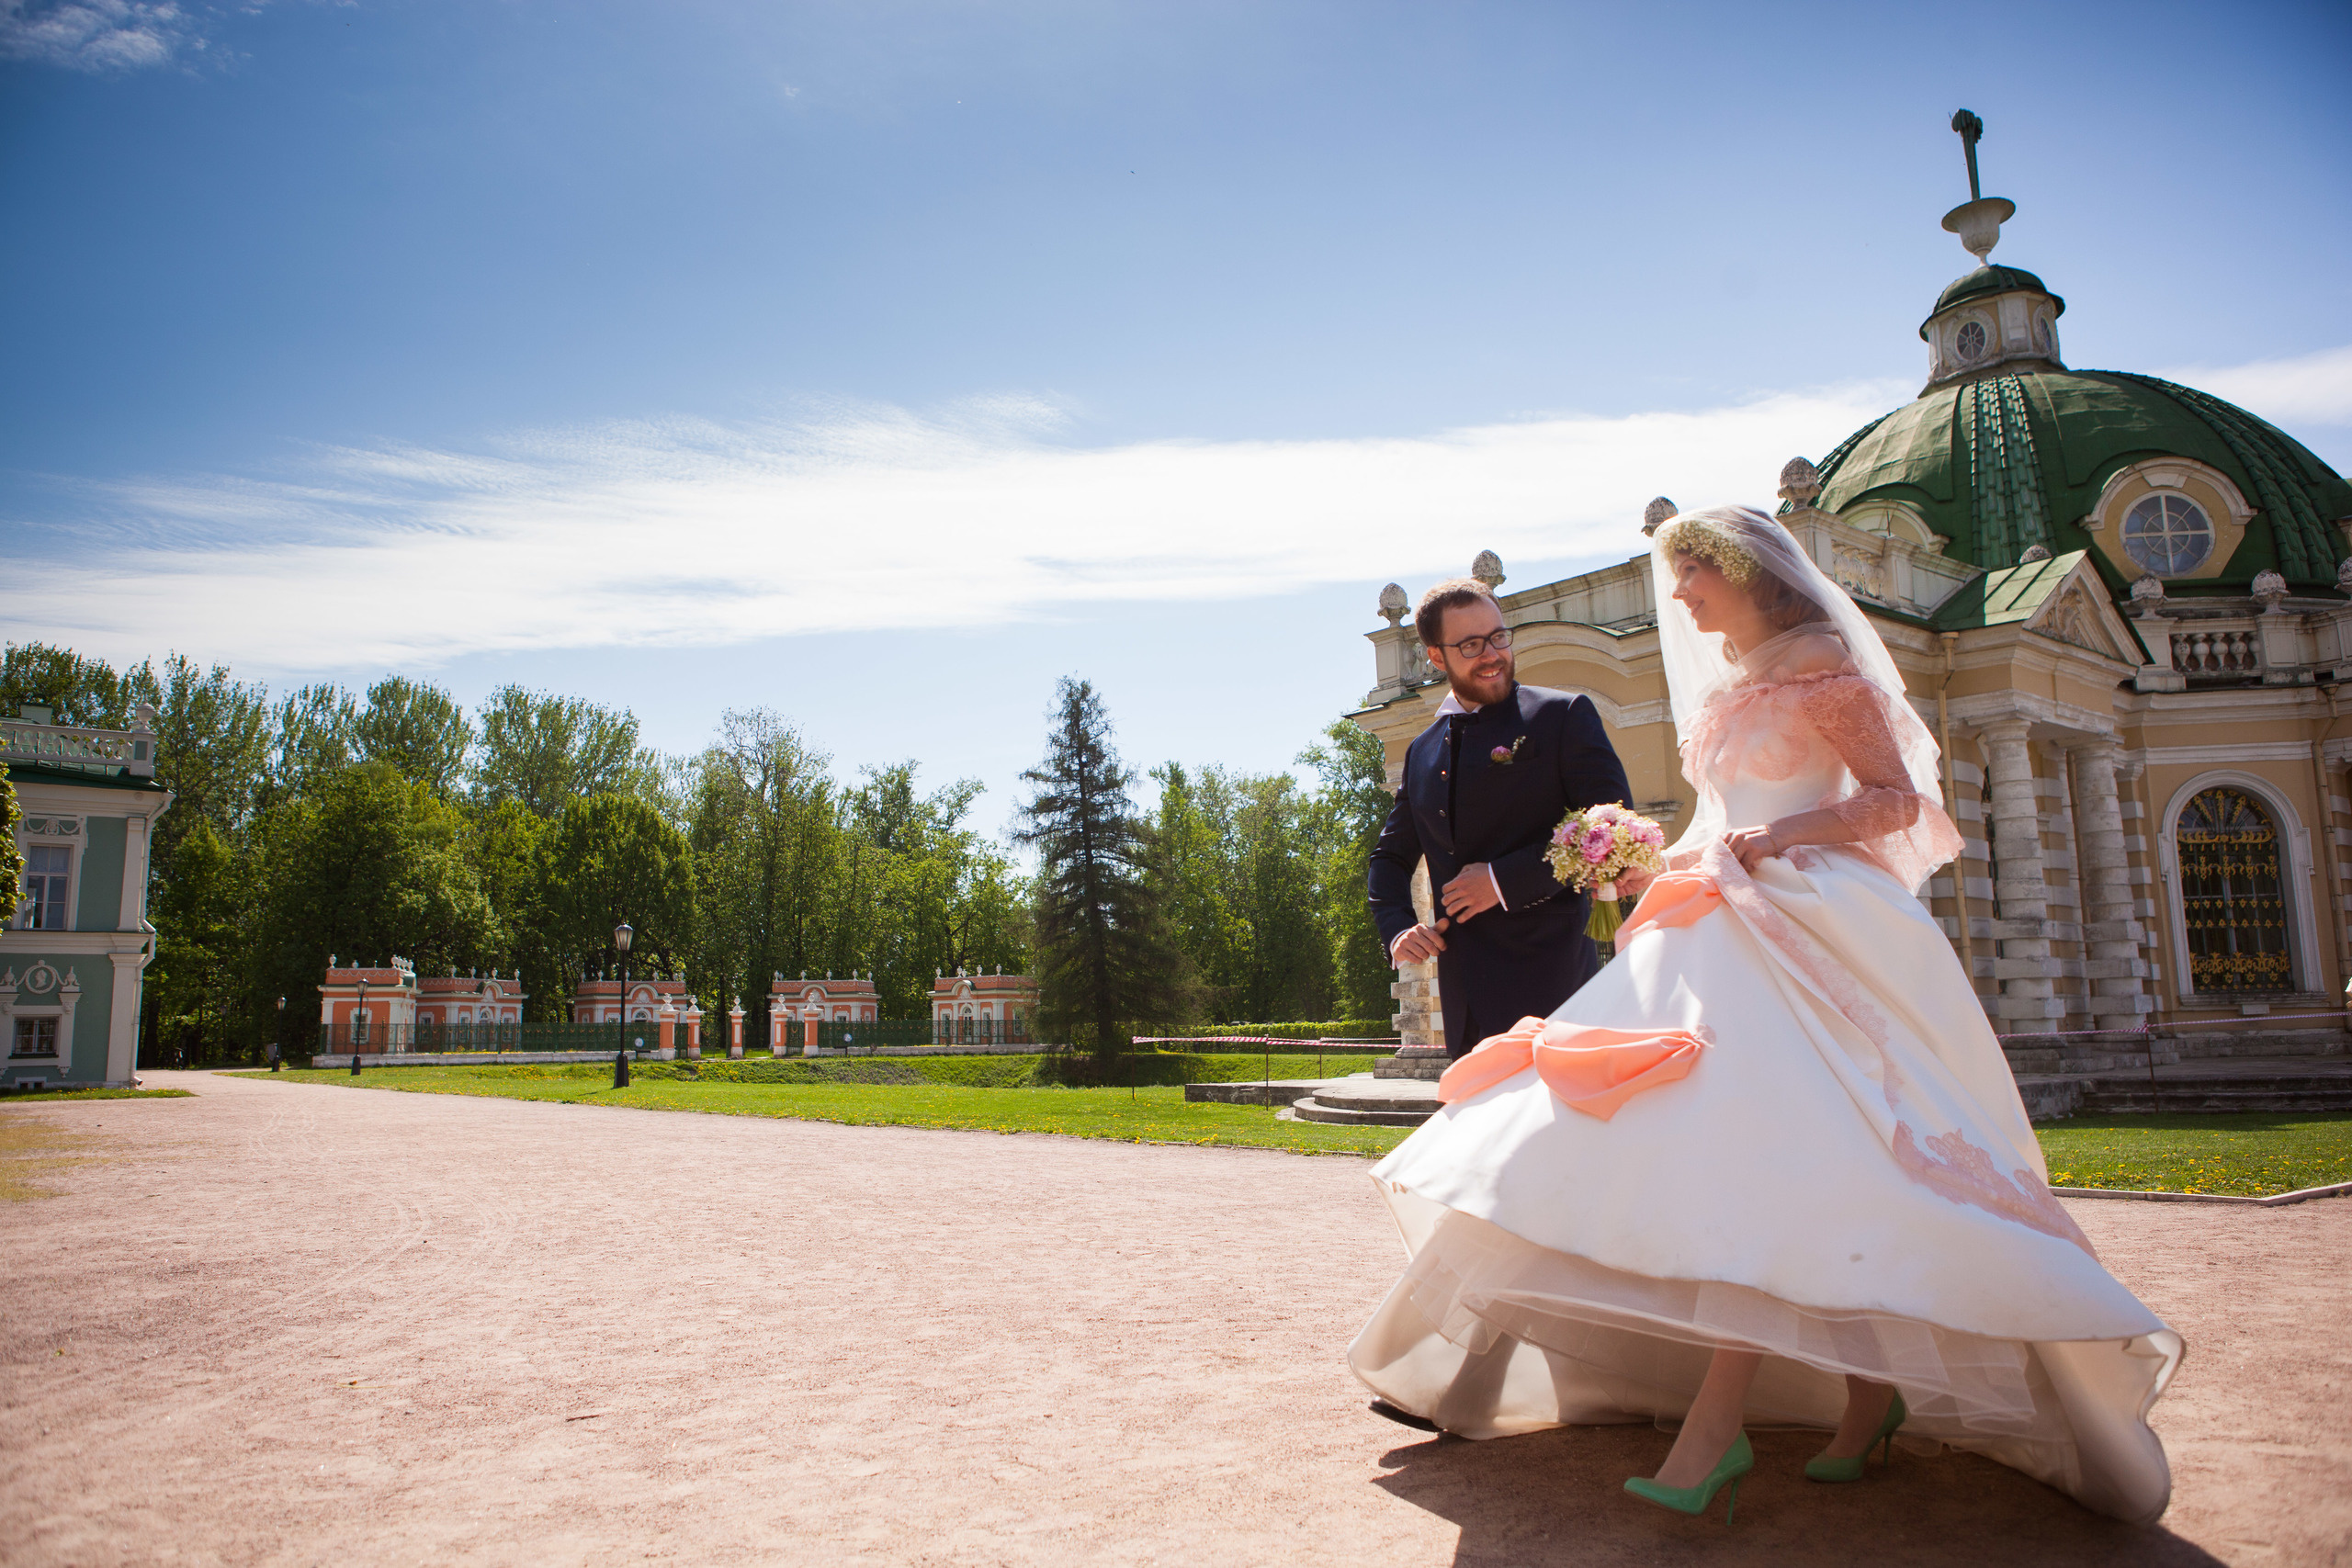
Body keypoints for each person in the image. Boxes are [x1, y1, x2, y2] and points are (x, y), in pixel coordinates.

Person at [1347, 506, 2178, 1525]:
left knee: (1794, 1146)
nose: (1681, 597)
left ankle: (1723, 1424)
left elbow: (1894, 802)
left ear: (1745, 575)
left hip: (1816, 923)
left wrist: (1776, 837)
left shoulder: (1826, 672)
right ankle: (1862, 1396)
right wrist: (1655, 859)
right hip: (1716, 918)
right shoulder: (1725, 691)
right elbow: (1710, 816)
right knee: (1745, 1148)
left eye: (1693, 576)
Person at [1368, 577, 1634, 1059]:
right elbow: (1389, 855)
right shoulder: (1422, 752)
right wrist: (1398, 926)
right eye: (1470, 644)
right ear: (1436, 656)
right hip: (1463, 1003)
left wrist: (1502, 880)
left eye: (1498, 637)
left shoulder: (1562, 715)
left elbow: (1610, 828)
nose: (1492, 654)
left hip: (1554, 989)